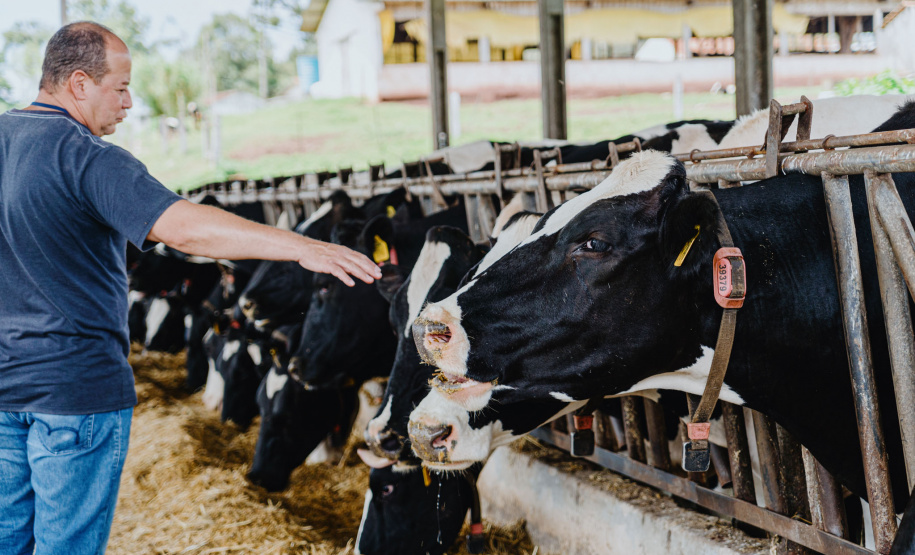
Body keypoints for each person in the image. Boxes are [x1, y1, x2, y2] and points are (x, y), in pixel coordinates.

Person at [0, 21, 381, 555]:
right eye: (121, 87)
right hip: (74, 392)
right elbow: (183, 227)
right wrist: (302, 247)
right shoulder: (86, 156)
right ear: (80, 84)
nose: (130, 102)